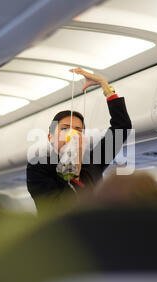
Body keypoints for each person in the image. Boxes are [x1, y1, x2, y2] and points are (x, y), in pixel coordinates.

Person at [26, 68, 132, 213]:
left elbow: (122, 127)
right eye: (64, 129)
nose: (72, 134)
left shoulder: (93, 161)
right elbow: (57, 210)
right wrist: (73, 169)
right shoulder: (39, 166)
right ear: (50, 137)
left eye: (78, 130)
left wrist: (105, 85)